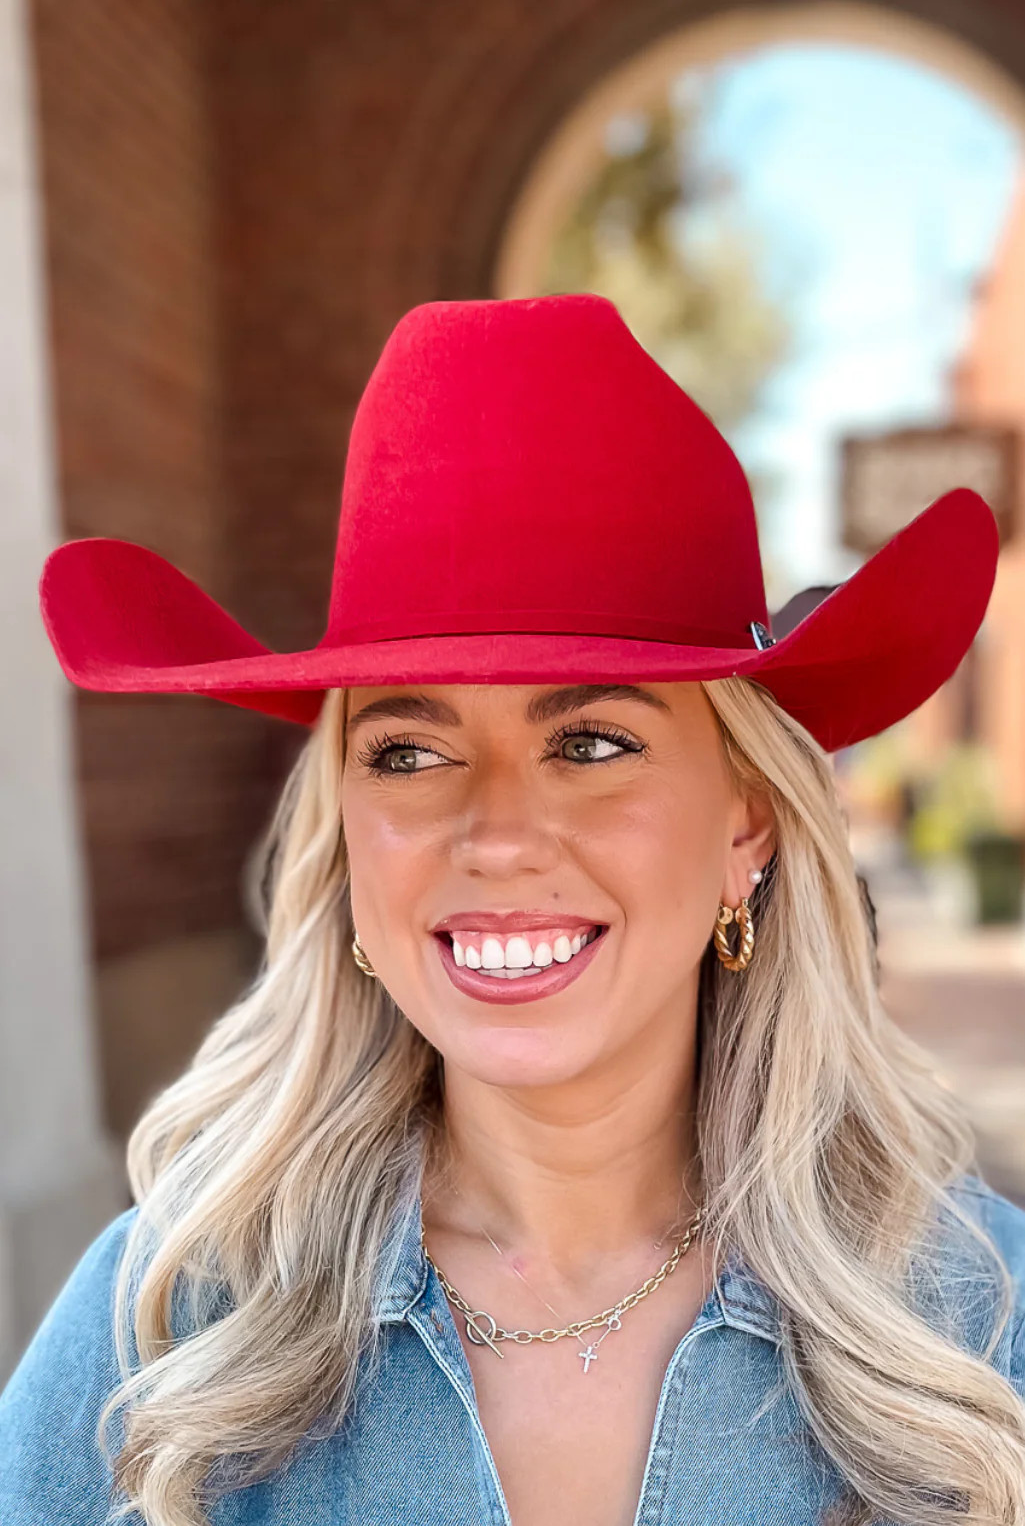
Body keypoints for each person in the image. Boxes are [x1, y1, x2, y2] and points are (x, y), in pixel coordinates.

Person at [2, 293, 1023, 1526]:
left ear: (742, 824)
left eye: (589, 741)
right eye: (407, 753)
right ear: (345, 844)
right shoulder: (167, 1327)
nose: (492, 837)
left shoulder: (976, 1327)